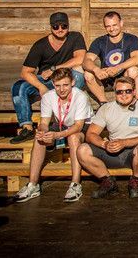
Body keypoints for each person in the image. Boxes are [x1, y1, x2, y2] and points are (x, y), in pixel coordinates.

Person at [13, 68, 93, 203]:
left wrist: (57, 135)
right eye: (57, 86)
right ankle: (33, 184)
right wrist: (42, 131)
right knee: (39, 138)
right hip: (61, 124)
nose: (61, 89)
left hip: (83, 127)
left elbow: (78, 126)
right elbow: (44, 122)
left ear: (73, 83)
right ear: (53, 84)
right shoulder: (48, 96)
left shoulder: (80, 96)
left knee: (73, 137)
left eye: (65, 85)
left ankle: (75, 184)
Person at [10, 12, 87, 144]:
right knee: (18, 87)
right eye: (56, 26)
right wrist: (41, 87)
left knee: (79, 76)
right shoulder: (40, 45)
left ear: (68, 26)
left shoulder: (75, 37)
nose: (60, 29)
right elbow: (25, 72)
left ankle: (65, 116)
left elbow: (80, 58)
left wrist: (54, 68)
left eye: (64, 26)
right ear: (51, 27)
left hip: (66, 79)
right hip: (48, 81)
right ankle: (27, 127)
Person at [76, 76, 138, 199]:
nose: (124, 95)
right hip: (112, 150)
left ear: (134, 92)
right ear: (115, 93)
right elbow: (91, 134)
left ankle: (136, 181)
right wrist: (104, 144)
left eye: (128, 91)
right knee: (82, 150)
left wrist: (125, 142)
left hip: (134, 153)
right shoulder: (106, 108)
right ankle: (107, 182)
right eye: (119, 92)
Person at [83, 11, 138, 104]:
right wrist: (96, 70)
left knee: (134, 70)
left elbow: (137, 58)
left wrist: (118, 68)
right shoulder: (99, 41)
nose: (111, 29)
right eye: (108, 26)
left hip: (124, 75)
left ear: (121, 23)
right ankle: (104, 103)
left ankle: (129, 101)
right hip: (106, 76)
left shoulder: (131, 39)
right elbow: (86, 61)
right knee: (88, 74)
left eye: (114, 25)